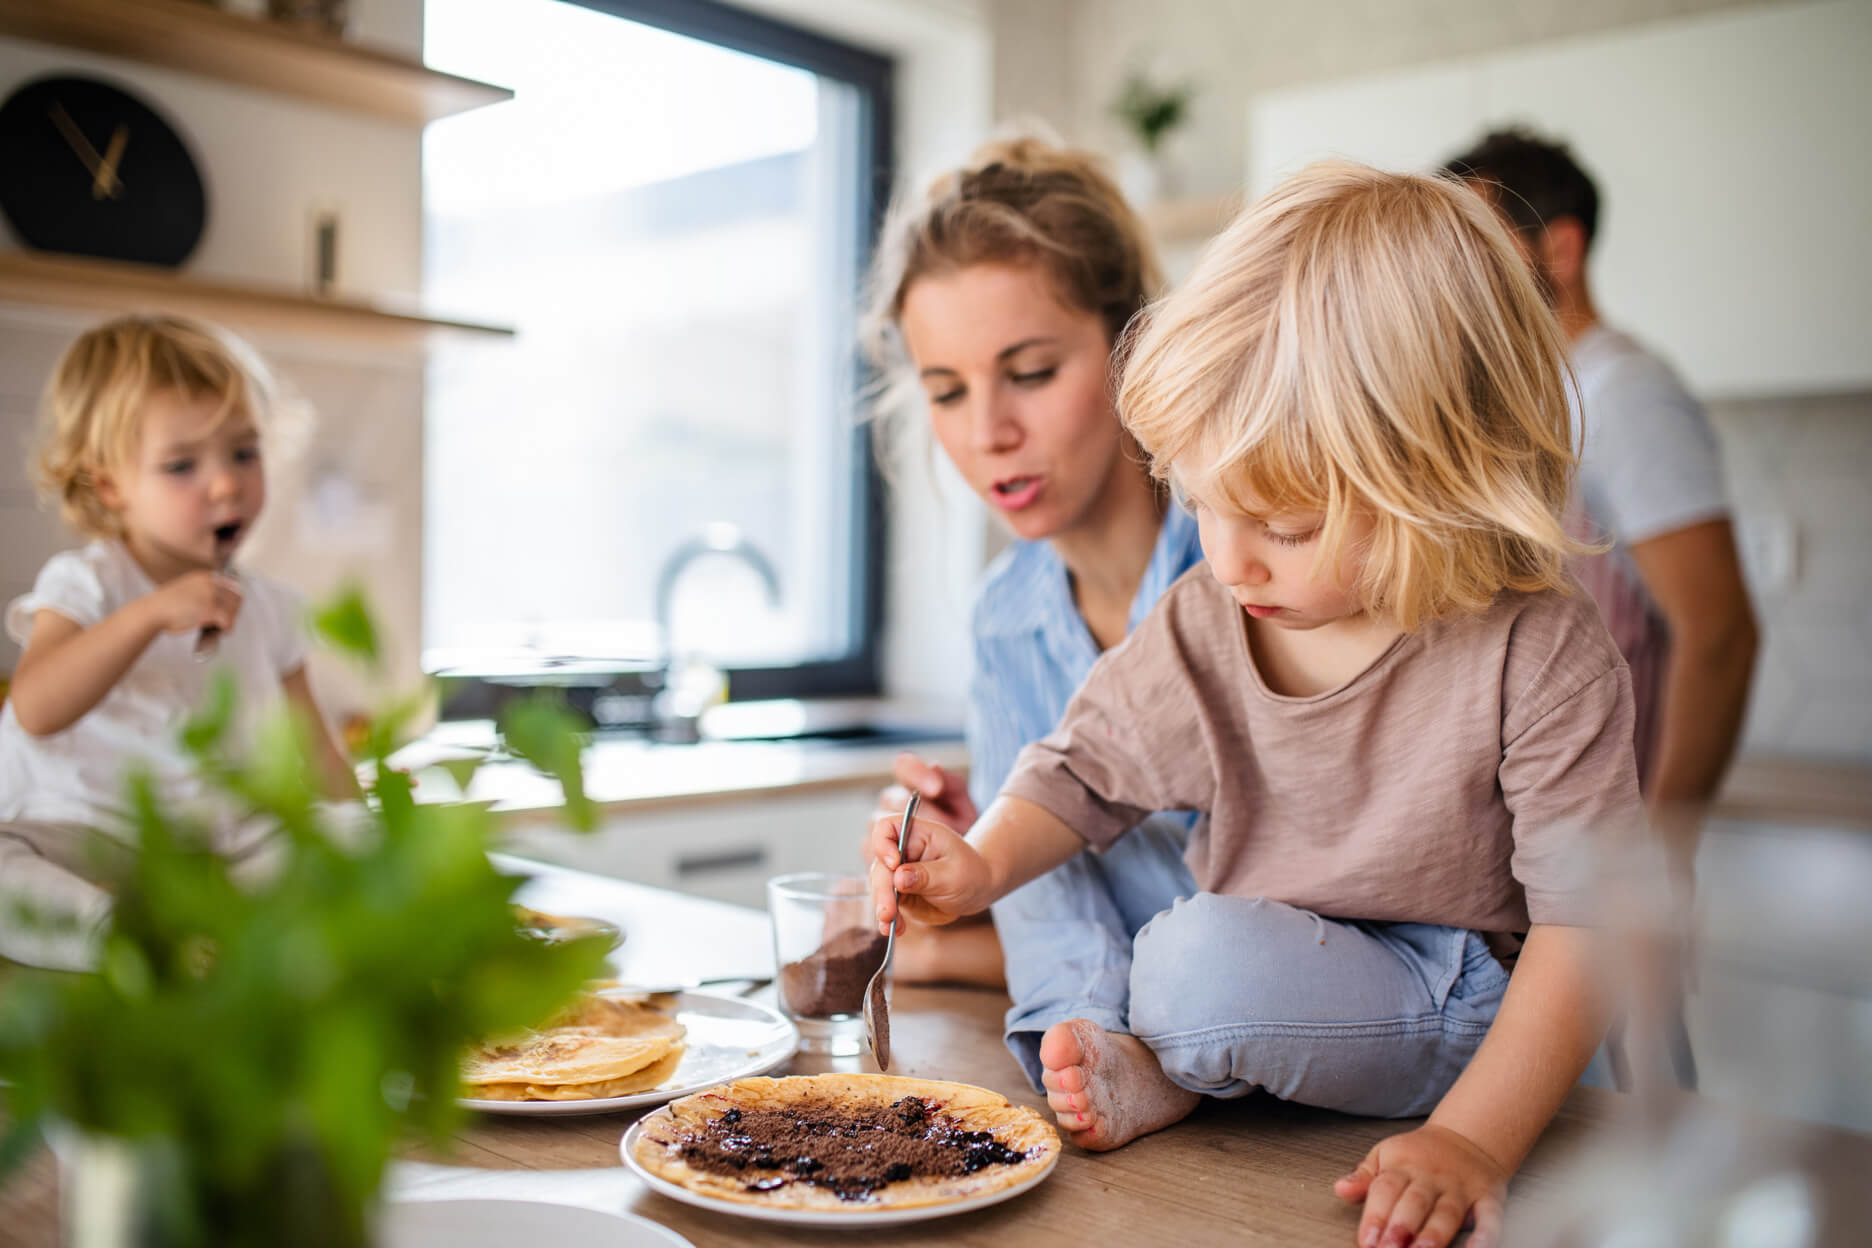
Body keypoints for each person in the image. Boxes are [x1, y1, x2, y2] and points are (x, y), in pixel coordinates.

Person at [868, 162, 1646, 1248]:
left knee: (1192, 965)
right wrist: (986, 863)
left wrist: (1471, 1140)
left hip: (1463, 1003)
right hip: (1279, 989)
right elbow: (1081, 769)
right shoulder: (1213, 610)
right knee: (1195, 963)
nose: (1228, 561)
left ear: (1438, 474)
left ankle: (1198, 1064)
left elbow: (1588, 928)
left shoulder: (1539, 651)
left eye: (1280, 526)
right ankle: (1191, 1073)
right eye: (1204, 504)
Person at [861, 137, 1206, 1077]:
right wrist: (973, 863)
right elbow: (1066, 919)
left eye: (1032, 372)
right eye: (946, 391)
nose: (987, 435)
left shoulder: (1256, 562)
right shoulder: (1004, 619)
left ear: (1133, 344)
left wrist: (964, 945)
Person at [1441, 129, 1758, 844]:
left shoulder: (1624, 394)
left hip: (1609, 850)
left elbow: (1720, 635)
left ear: (1561, 251)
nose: (1460, 277)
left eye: (1484, 249)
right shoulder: (1542, 398)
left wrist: (1661, 849)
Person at [0, 314, 355, 876]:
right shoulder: (87, 582)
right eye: (182, 465)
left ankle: (167, 934)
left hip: (212, 848)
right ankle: (102, 932)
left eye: (243, 453)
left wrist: (371, 845)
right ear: (111, 486)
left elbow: (318, 754)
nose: (226, 484)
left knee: (349, 832)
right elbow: (35, 708)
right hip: (82, 834)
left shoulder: (272, 609)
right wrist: (150, 613)